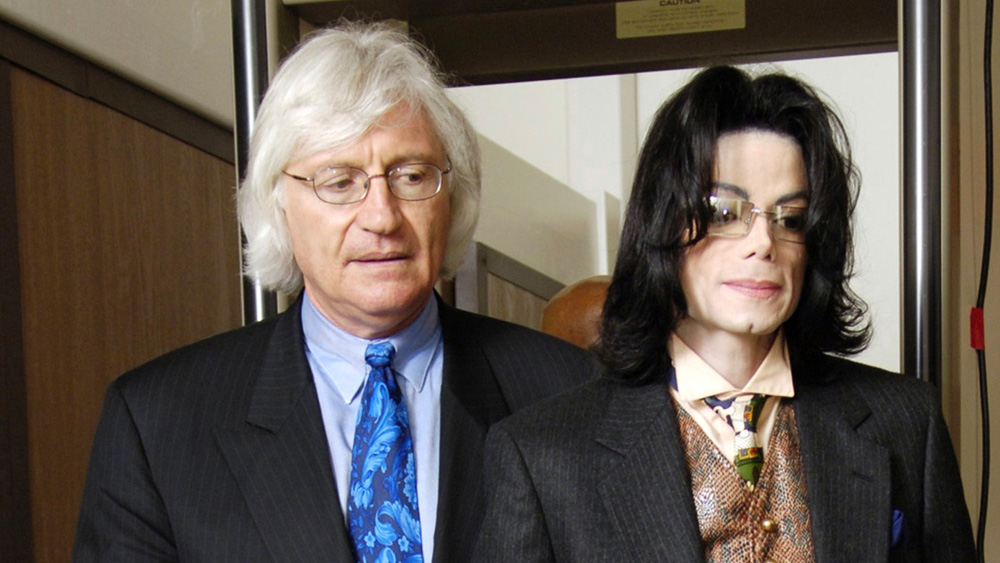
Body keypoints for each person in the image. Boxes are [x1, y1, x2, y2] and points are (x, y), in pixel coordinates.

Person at [73, 22, 596, 563]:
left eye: (411, 176)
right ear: (279, 205)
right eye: (340, 182)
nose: (382, 217)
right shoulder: (158, 423)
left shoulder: (570, 393)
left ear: (452, 196)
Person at [473, 65, 976, 562]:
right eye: (723, 212)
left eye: (790, 218)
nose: (763, 242)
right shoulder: (542, 453)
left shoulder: (906, 423)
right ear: (663, 221)